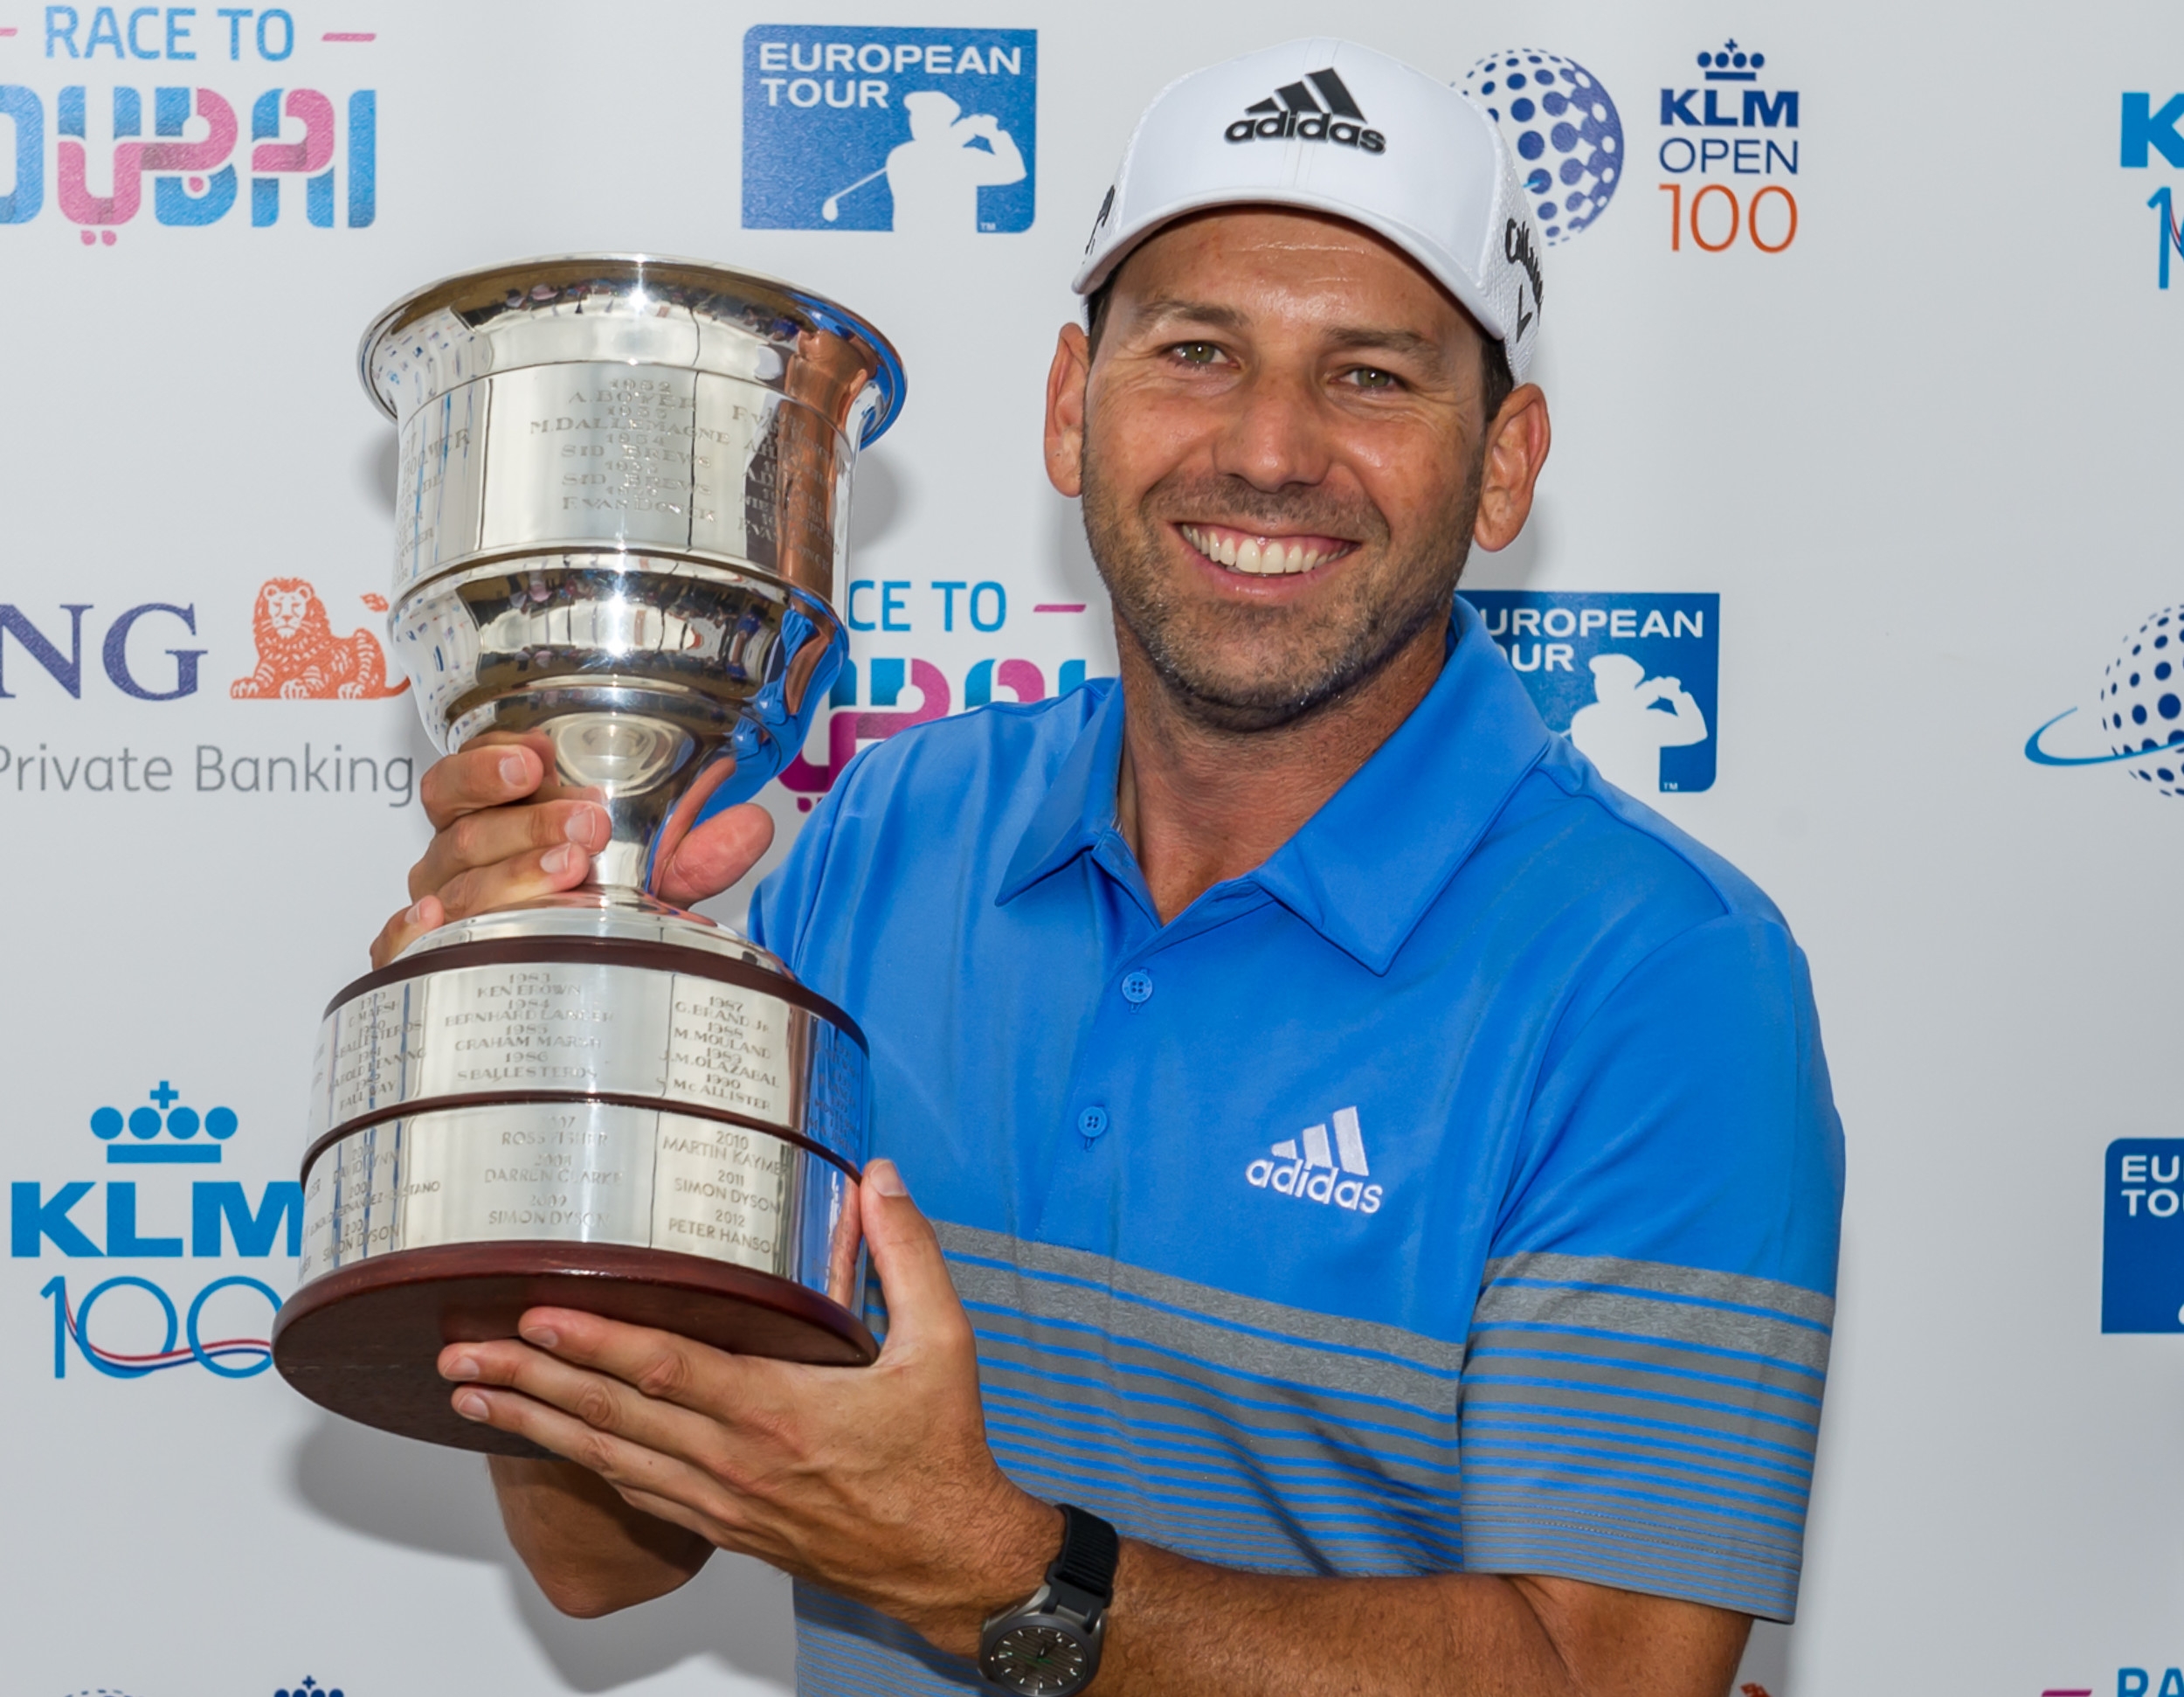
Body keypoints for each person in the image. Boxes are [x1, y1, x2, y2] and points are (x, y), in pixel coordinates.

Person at [375, 38, 1843, 1697]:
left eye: (1372, 375)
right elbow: (600, 1559)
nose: (1271, 449)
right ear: (1074, 406)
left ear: (1503, 464)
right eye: (1199, 351)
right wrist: (549, 1045)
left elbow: (1608, 1680)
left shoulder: (1664, 976)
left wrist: (998, 1568)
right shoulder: (876, 842)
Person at [885, 89, 1026, 233]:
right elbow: (933, 155)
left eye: (926, 117)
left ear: (943, 123)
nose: (916, 121)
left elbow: (1015, 170)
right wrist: (985, 132)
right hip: (914, 247)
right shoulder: (902, 155)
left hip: (955, 248)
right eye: (915, 115)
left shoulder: (962, 156)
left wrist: (994, 135)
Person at [1568, 652, 1709, 794]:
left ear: (1628, 686)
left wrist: (1678, 697)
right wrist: (1654, 692)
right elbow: (1616, 719)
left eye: (1611, 681)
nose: (1601, 686)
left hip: (1644, 806)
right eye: (1600, 680)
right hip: (1597, 806)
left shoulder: (1649, 720)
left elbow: (1696, 730)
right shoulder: (1586, 718)